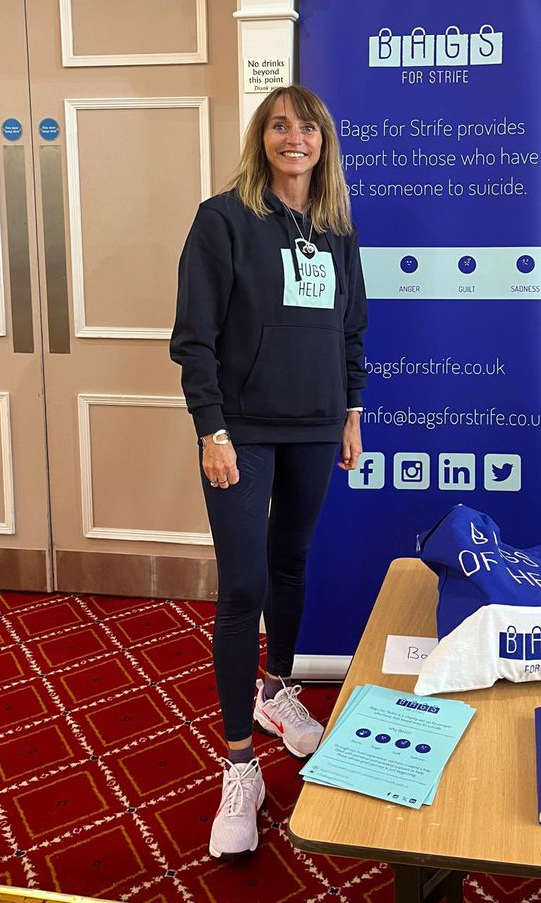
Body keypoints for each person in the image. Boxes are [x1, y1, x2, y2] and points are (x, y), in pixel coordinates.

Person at [170, 84, 367, 858]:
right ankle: (239, 766)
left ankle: (278, 690)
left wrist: (352, 411)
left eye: (308, 125)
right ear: (263, 139)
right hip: (241, 434)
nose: (295, 137)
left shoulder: (337, 229)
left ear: (324, 142)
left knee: (291, 565)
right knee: (244, 585)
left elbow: (353, 329)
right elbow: (193, 338)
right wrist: (211, 429)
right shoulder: (222, 220)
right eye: (280, 125)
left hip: (317, 427)